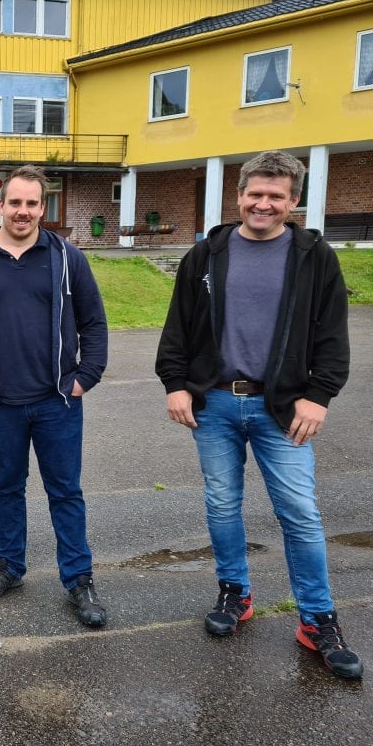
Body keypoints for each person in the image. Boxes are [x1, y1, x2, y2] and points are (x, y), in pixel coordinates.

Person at [155, 150, 362, 679]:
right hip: (216, 402)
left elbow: (332, 336)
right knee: (223, 504)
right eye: (255, 193)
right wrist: (176, 384)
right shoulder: (207, 254)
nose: (263, 203)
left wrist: (320, 396)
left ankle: (317, 619)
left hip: (284, 408)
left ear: (293, 201)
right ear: (240, 195)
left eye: (276, 196)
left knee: (299, 511)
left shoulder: (315, 257)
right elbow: (178, 326)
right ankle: (235, 594)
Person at [0, 165, 109, 627]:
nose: (23, 211)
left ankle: (79, 579)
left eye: (32, 203)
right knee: (6, 489)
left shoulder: (66, 257)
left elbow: (94, 322)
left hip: (57, 401)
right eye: (15, 203)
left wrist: (84, 378)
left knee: (65, 492)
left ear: (42, 207)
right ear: (1, 205)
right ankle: (10, 567)